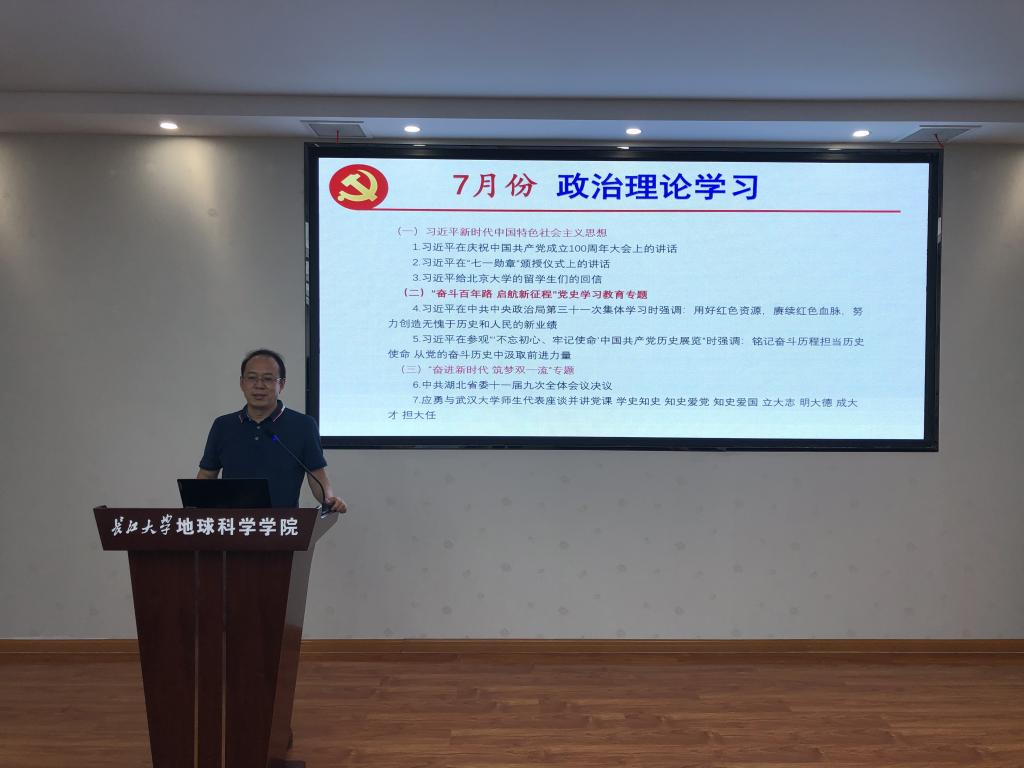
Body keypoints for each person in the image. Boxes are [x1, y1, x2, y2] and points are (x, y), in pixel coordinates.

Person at [197, 348, 347, 513]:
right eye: (252, 378)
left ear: (281, 384)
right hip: (234, 523)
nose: (259, 385)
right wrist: (194, 509)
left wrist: (329, 500)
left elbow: (317, 475)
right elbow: (207, 475)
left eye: (268, 379)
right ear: (242, 383)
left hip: (283, 523)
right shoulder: (223, 426)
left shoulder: (303, 426)